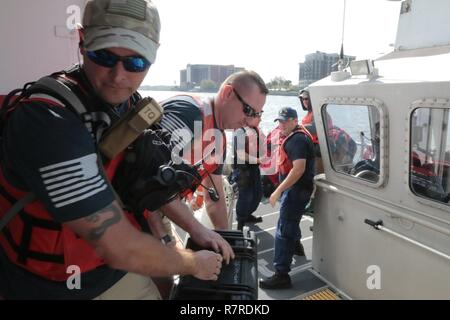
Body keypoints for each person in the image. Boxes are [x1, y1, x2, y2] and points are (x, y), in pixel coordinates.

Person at [0, 0, 230, 300]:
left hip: (105, 271)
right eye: (104, 56)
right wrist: (192, 263)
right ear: (82, 42)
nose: (119, 76)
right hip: (47, 284)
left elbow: (149, 180)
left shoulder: (129, 106)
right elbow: (115, 244)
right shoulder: (48, 122)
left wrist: (198, 231)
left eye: (136, 62)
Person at [155, 70, 268, 231]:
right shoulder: (189, 112)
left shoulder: (218, 140)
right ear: (227, 93)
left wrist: (225, 237)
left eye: (257, 114)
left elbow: (214, 198)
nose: (251, 122)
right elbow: (149, 176)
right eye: (248, 111)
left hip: (155, 210)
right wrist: (200, 233)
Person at [259, 107, 315, 290]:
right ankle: (297, 246)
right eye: (279, 121)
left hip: (295, 191)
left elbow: (298, 169)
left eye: (284, 121)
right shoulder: (297, 136)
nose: (281, 125)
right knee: (292, 221)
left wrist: (277, 191)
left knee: (283, 229)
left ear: (294, 120)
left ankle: (281, 274)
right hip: (298, 190)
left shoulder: (297, 140)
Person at [232, 116, 265, 231]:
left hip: (254, 168)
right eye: (258, 117)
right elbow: (241, 154)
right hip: (242, 170)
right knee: (245, 196)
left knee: (257, 194)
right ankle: (240, 222)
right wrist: (258, 160)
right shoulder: (240, 132)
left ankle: (247, 215)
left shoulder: (256, 130)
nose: (261, 120)